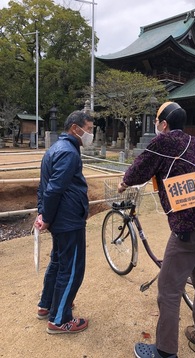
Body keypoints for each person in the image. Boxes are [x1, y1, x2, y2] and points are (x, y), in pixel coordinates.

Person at [118, 102, 195, 358]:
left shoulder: (162, 143)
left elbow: (140, 168)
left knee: (168, 288)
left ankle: (165, 352)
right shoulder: (194, 143)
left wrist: (124, 182)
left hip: (188, 226)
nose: (156, 127)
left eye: (156, 122)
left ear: (163, 124)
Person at [35, 110, 94, 334]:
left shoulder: (55, 149)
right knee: (71, 269)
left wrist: (43, 214)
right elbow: (53, 189)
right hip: (68, 220)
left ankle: (46, 305)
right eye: (88, 129)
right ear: (74, 128)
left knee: (58, 263)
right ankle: (59, 319)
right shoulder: (69, 153)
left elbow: (44, 187)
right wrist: (46, 218)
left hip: (60, 218)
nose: (90, 134)